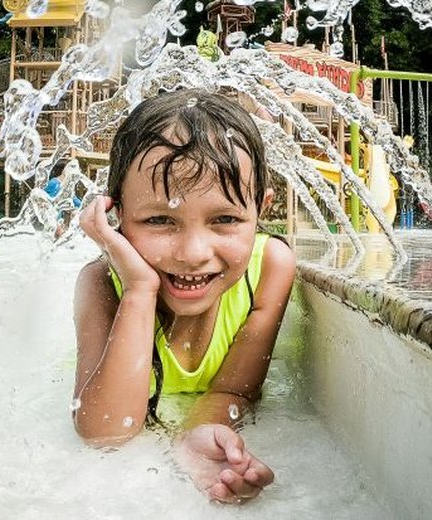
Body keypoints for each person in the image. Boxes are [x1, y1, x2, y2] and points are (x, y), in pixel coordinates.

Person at [72, 90, 296, 503]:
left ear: (261, 209)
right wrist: (139, 290)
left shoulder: (270, 269)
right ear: (115, 214)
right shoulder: (102, 284)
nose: (193, 254)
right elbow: (104, 429)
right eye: (160, 219)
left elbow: (235, 392)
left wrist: (193, 437)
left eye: (225, 219)